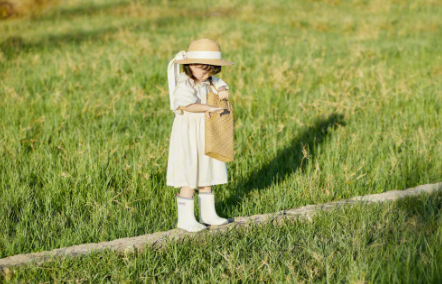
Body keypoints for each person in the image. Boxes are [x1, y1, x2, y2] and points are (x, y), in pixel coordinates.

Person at [166, 39, 234, 232]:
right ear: (191, 66)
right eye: (203, 71)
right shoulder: (185, 83)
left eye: (210, 72)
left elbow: (220, 83)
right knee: (189, 170)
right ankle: (185, 219)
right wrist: (210, 107)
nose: (206, 76)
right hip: (189, 131)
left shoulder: (208, 79)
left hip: (205, 129)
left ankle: (208, 213)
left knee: (207, 168)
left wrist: (222, 90)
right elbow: (187, 105)